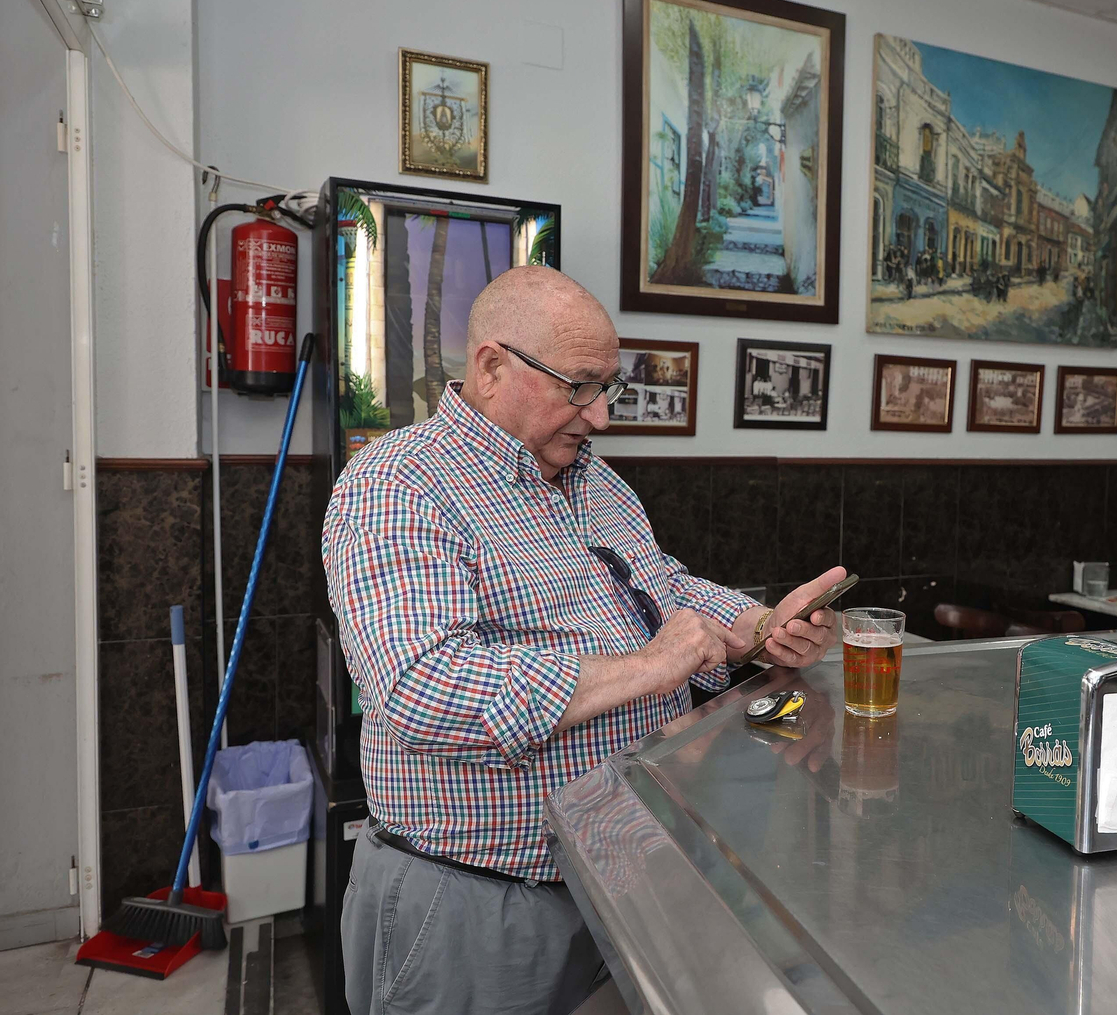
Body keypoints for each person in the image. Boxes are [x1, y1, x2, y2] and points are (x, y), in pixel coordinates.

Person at [323, 266, 844, 1015]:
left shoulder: (599, 485)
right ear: (492, 366)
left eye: (609, 388)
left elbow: (666, 590)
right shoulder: (396, 485)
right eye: (579, 386)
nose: (599, 415)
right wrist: (650, 666)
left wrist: (762, 627)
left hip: (618, 878)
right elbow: (423, 690)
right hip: (476, 901)